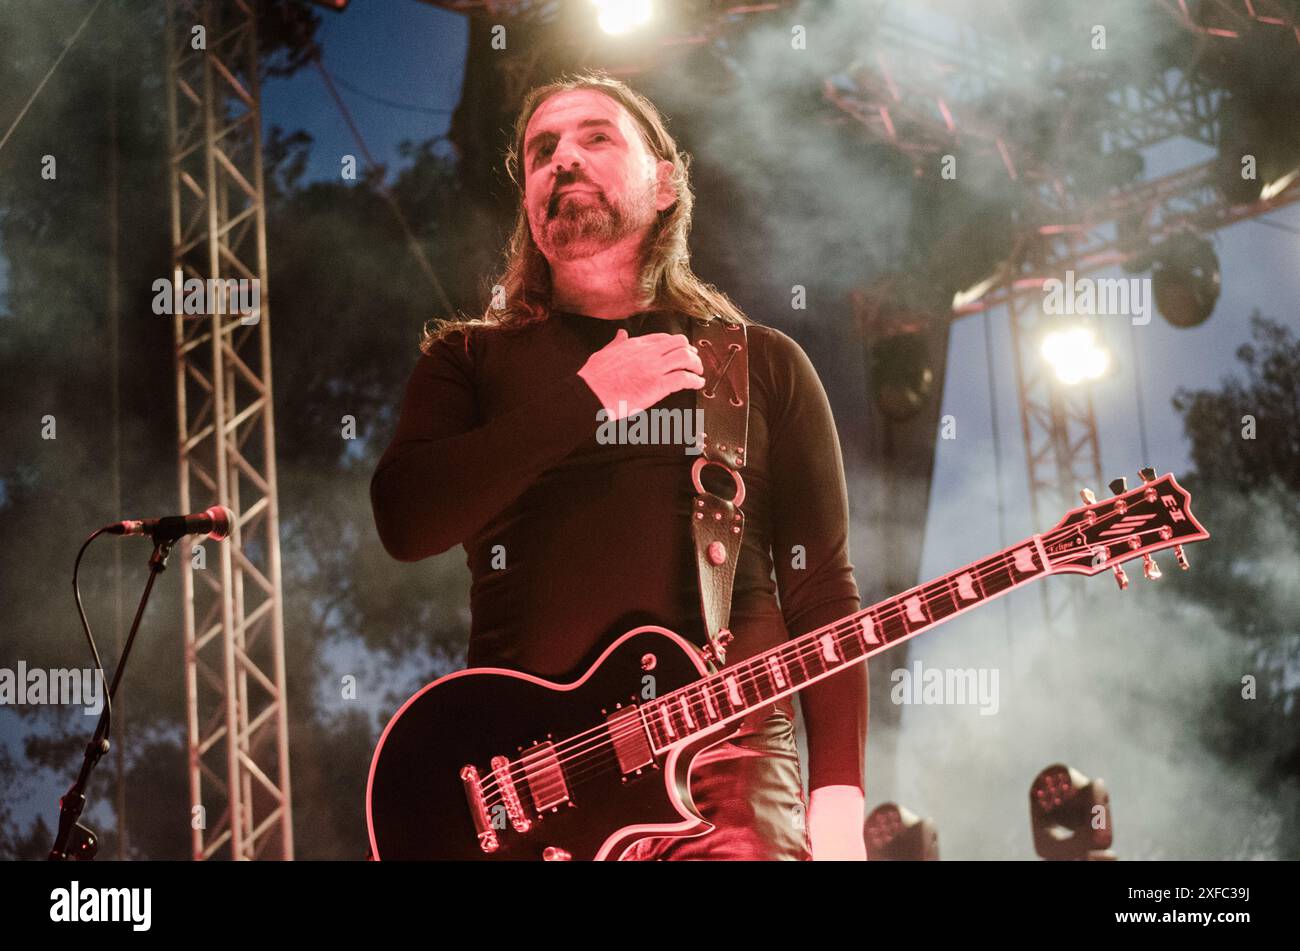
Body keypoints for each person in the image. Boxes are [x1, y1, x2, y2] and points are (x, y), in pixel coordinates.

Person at [370, 71, 867, 860]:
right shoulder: (466, 360)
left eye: (595, 136)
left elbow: (821, 587)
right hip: (529, 789)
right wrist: (588, 398)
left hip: (729, 772)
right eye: (541, 151)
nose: (562, 158)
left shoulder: (760, 364)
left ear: (666, 183)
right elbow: (406, 518)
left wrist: (838, 800)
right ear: (530, 210)